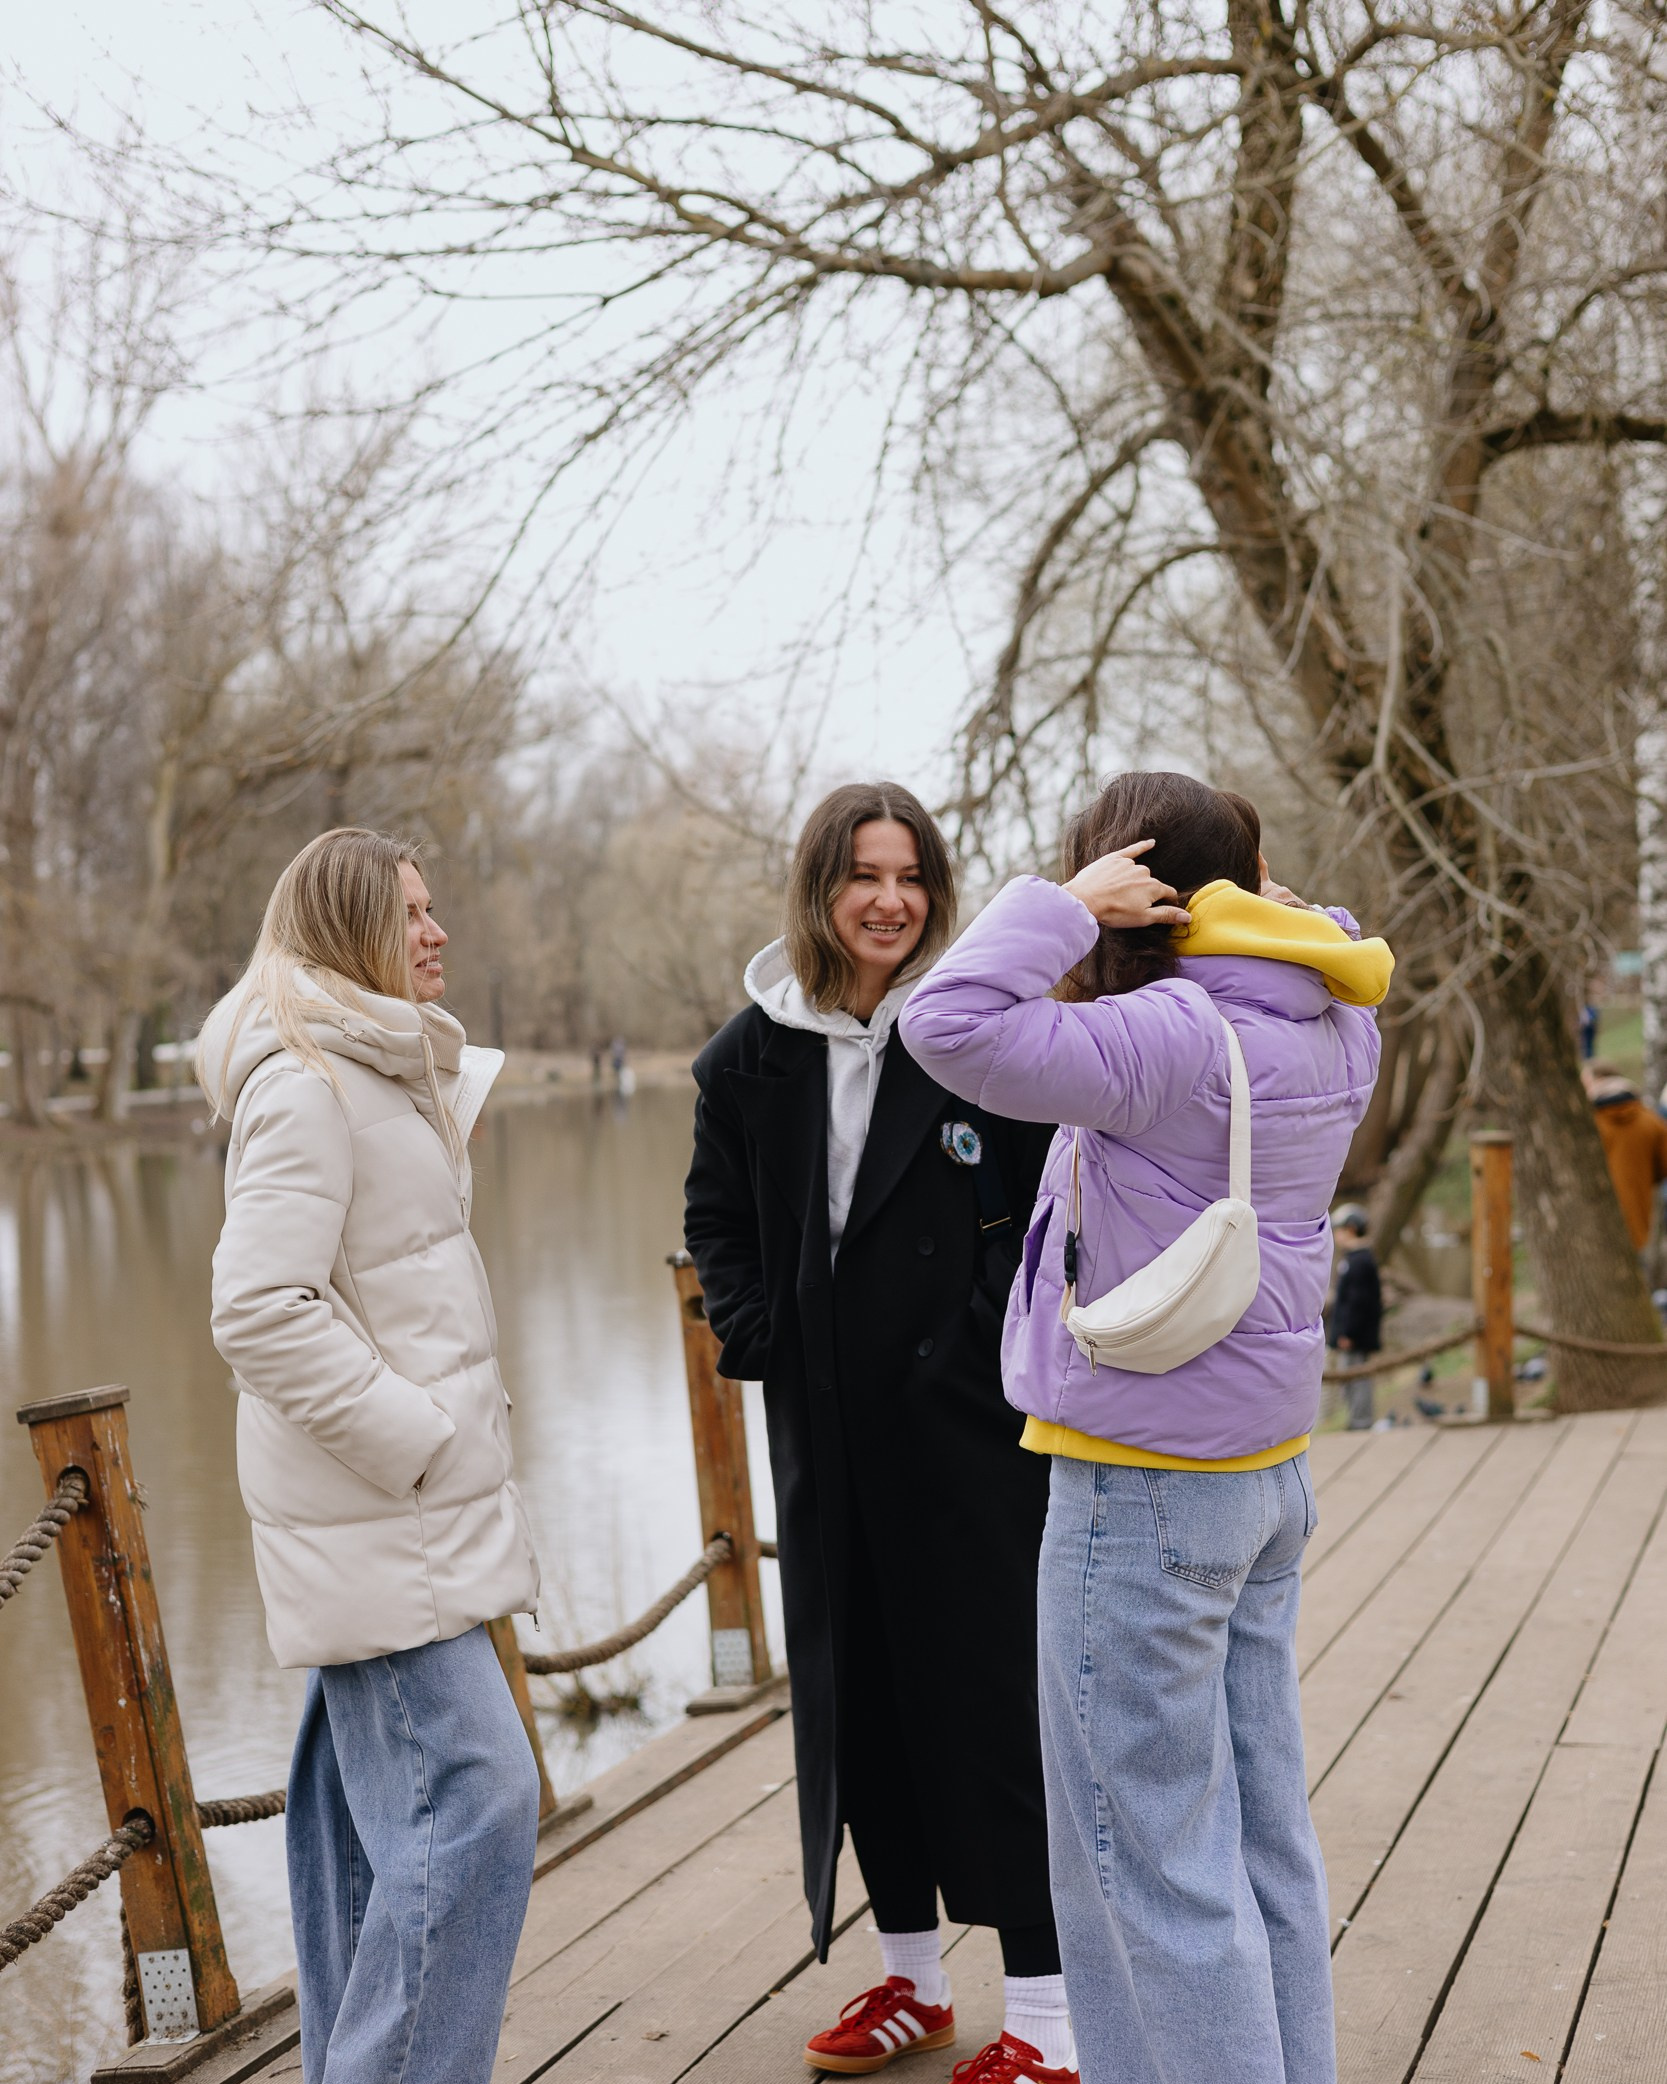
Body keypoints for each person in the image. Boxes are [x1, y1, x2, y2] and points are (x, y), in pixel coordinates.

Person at [900, 772, 1392, 2084]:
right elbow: (1316, 937)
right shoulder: (1334, 1018)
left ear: (1131, 884)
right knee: (1259, 1845)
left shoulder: (1167, 1039)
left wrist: (1058, 909)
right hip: (1262, 1480)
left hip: (1138, 1494)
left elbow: (943, 1025)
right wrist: (1266, 903)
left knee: (1149, 1872)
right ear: (1246, 883)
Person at [684, 782, 1075, 2084]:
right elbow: (719, 1228)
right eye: (863, 874)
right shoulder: (748, 1055)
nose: (889, 899)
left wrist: (970, 1352)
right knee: (862, 1717)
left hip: (967, 1436)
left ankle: (1045, 2018)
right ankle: (911, 1984)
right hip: (828, 1438)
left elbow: (1039, 1218)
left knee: (987, 1707)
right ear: (818, 889)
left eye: (910, 875)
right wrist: (766, 1338)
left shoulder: (976, 1030)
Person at [196, 828, 542, 2084]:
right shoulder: (308, 1085)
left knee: (357, 1829)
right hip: (383, 1522)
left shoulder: (375, 1071)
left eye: (434, 905)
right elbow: (257, 1308)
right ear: (350, 932)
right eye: (410, 912)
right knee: (478, 1804)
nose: (436, 928)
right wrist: (415, 1440)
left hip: (398, 1519)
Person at [1582, 1059, 1667, 1253]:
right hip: (1638, 1221)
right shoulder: (1649, 1120)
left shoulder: (1584, 1124)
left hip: (1591, 1221)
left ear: (1599, 1080)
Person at [1329, 1205, 1383, 1430]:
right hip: (1352, 1334)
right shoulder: (1353, 1259)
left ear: (1351, 1229)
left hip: (1355, 1336)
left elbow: (1357, 1302)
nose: (1335, 1235)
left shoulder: (1359, 1261)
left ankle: (1361, 1421)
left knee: (1357, 1378)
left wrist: (1347, 1332)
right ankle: (1356, 1418)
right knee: (1349, 1379)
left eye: (1339, 1230)